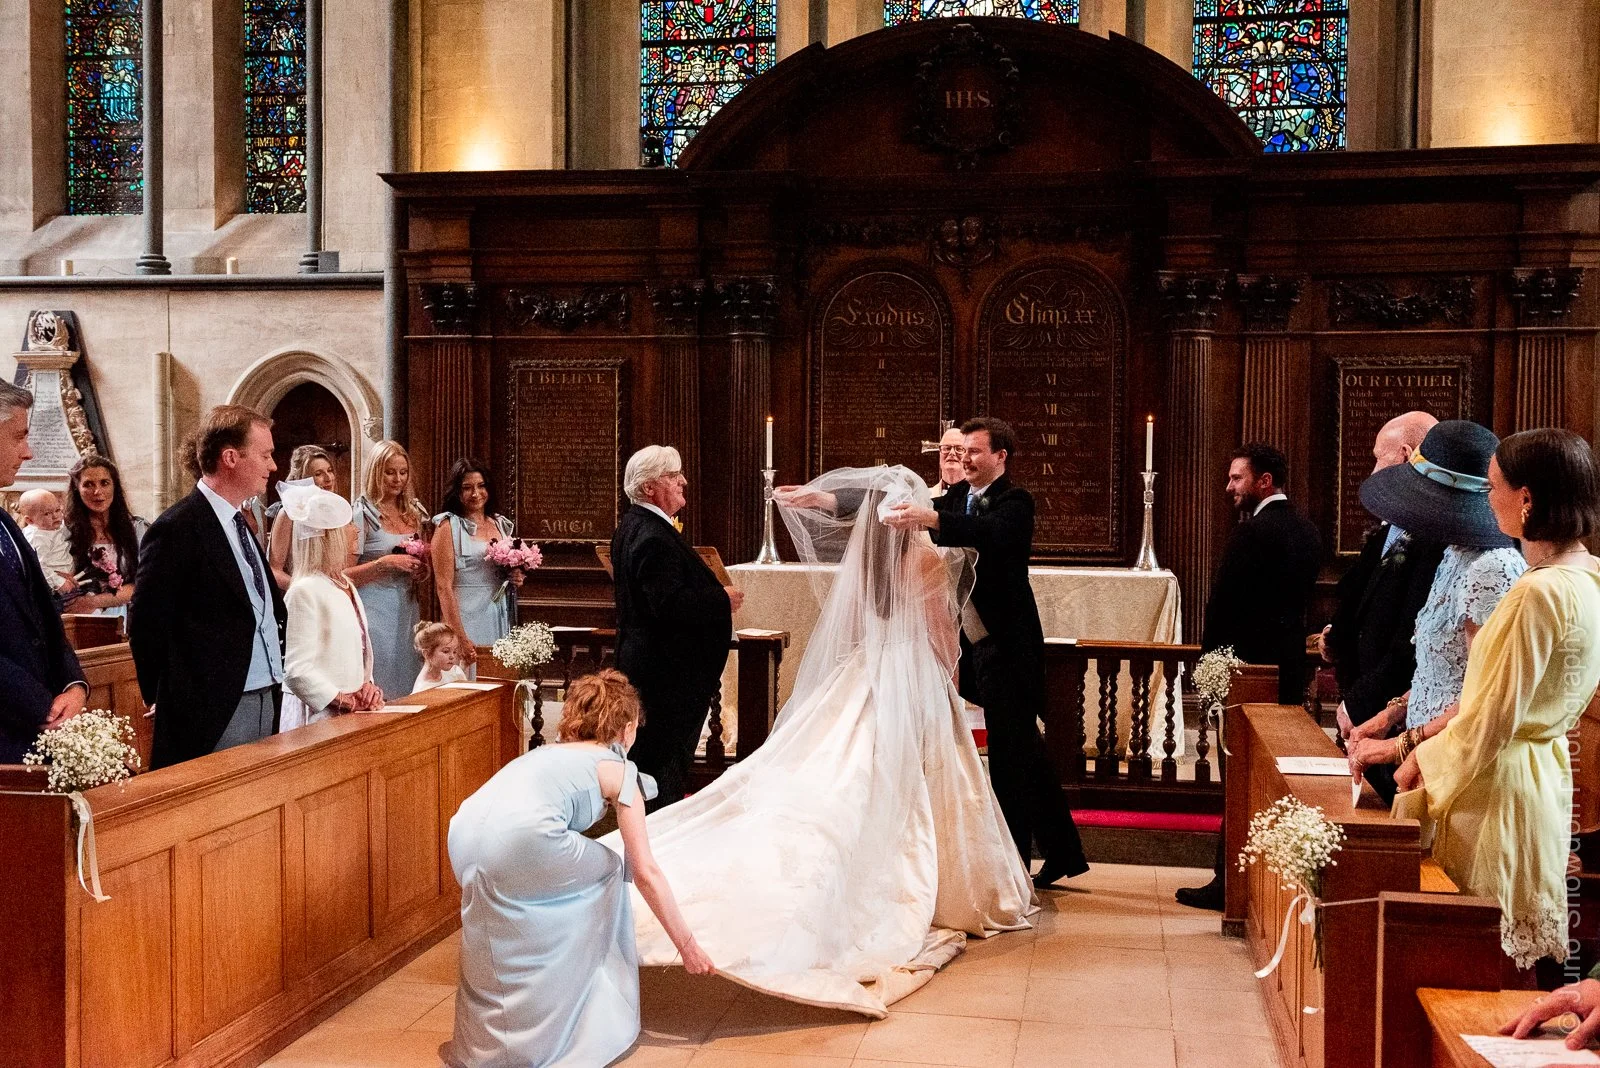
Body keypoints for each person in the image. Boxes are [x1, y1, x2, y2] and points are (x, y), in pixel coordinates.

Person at [609, 464, 1032, 1016]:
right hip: (912, 679)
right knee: (916, 785)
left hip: (861, 675)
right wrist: (947, 690)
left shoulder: (864, 566)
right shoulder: (925, 557)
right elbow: (942, 639)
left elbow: (856, 630)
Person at [1395, 428, 1600, 968]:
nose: (1487, 500)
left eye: (1492, 488)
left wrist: (1415, 757)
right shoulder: (1587, 578)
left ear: (1526, 498)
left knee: (1472, 958)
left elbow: (1490, 718)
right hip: (1540, 777)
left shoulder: (1537, 592)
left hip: (1497, 790)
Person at [443, 669, 714, 1068]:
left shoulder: (546, 753)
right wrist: (688, 947)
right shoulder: (620, 770)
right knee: (611, 869)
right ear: (625, 728)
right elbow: (645, 871)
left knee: (502, 925)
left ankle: (497, 1044)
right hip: (525, 838)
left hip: (463, 831)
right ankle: (590, 1019)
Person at [884, 416, 1089, 889]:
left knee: (1012, 760)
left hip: (1010, 647)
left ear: (1001, 456)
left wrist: (932, 519)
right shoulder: (959, 497)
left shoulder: (1017, 501)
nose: (965, 459)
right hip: (977, 646)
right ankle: (1064, 851)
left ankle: (1013, 864)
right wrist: (829, 499)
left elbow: (991, 533)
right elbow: (919, 509)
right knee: (1027, 753)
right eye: (962, 451)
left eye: (976, 451)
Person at [1346, 421, 1525, 802]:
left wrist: (1399, 746)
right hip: (1426, 756)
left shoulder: (1493, 567)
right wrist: (1390, 715)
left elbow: (1486, 695)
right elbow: (1441, 669)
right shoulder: (1453, 554)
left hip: (1462, 766)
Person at [1178, 442, 1320, 910]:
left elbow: (1223, 607)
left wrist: (1209, 665)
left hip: (1244, 673)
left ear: (1265, 482)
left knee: (1237, 777)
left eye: (1237, 479)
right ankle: (1260, 882)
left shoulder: (1252, 533)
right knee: (1268, 777)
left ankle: (1227, 883)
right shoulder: (1306, 530)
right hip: (1287, 669)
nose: (1229, 487)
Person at [130, 405, 288, 768]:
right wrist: (167, 698)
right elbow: (146, 623)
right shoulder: (178, 527)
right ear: (231, 457)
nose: (273, 466)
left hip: (266, 692)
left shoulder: (239, 520)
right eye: (265, 455)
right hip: (211, 703)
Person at [610, 445, 741, 809]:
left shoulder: (638, 525)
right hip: (666, 677)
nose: (683, 480)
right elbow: (666, 605)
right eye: (672, 475)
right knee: (661, 768)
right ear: (650, 487)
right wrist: (721, 599)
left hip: (658, 670)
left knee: (655, 764)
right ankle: (656, 843)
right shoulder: (652, 535)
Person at [1322, 412, 1444, 751]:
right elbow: (1363, 593)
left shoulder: (1433, 536)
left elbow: (1411, 635)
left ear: (1405, 455)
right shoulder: (1393, 527)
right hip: (1369, 695)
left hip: (1399, 708)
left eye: (1379, 457)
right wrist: (1338, 635)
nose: (1374, 471)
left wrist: (1364, 702)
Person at [0, 380, 86, 762]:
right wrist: (45, 706)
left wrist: (74, 684)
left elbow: (44, 617)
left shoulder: (5, 521)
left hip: (36, 725)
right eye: (19, 437)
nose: (28, 452)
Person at [280, 482, 384, 731]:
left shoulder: (344, 583)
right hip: (318, 718)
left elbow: (357, 649)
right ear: (329, 535)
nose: (356, 530)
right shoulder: (305, 590)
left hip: (350, 714)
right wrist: (339, 699)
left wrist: (366, 685)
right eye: (348, 525)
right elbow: (296, 671)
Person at [346, 441, 429, 700]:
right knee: (381, 675)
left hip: (407, 606)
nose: (397, 479)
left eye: (403, 472)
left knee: (408, 674)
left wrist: (420, 571)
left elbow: (421, 562)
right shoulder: (361, 514)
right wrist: (385, 564)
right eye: (389, 472)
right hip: (373, 607)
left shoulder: (412, 513)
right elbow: (343, 574)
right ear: (375, 472)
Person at [432, 459, 518, 669]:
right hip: (466, 614)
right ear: (457, 492)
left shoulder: (499, 523)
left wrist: (515, 575)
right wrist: (459, 636)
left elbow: (504, 570)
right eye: (467, 488)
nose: (475, 493)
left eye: (481, 486)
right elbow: (443, 587)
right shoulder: (448, 527)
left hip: (497, 611)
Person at [61, 453, 146, 618]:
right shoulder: (64, 532)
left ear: (114, 486)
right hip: (81, 622)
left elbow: (145, 583)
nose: (97, 491)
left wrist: (95, 601)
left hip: (131, 620)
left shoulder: (137, 529)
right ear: (77, 489)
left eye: (104, 483)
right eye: (88, 485)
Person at [267, 444, 344, 590]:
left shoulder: (336, 512)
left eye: (330, 471)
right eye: (318, 474)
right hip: (301, 598)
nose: (328, 478)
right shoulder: (288, 514)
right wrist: (305, 592)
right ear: (303, 478)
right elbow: (274, 570)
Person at [17, 488, 76, 595]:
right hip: (53, 585)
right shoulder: (37, 537)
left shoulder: (54, 526)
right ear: (30, 520)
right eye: (47, 514)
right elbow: (39, 566)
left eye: (57, 510)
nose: (55, 516)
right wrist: (59, 583)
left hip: (70, 577)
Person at [412, 621, 467, 692]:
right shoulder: (423, 689)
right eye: (446, 651)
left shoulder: (455, 672)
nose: (452, 656)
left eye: (454, 652)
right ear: (427, 654)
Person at [931, 425, 966, 496]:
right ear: (940, 453)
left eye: (959, 449)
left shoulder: (980, 498)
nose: (952, 453)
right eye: (947, 448)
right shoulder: (923, 498)